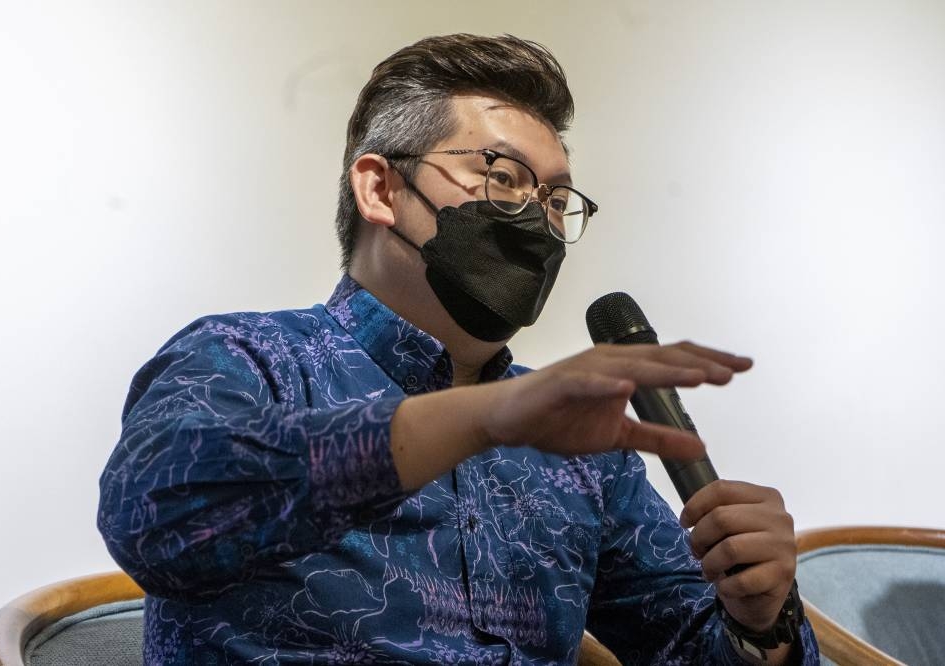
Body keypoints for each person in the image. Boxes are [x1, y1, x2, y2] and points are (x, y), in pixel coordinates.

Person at [98, 34, 820, 665]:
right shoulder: (247, 359)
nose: (538, 220)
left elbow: (685, 644)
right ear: (381, 189)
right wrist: (478, 417)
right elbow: (151, 514)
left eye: (557, 201)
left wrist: (760, 622)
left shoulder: (583, 451)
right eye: (503, 178)